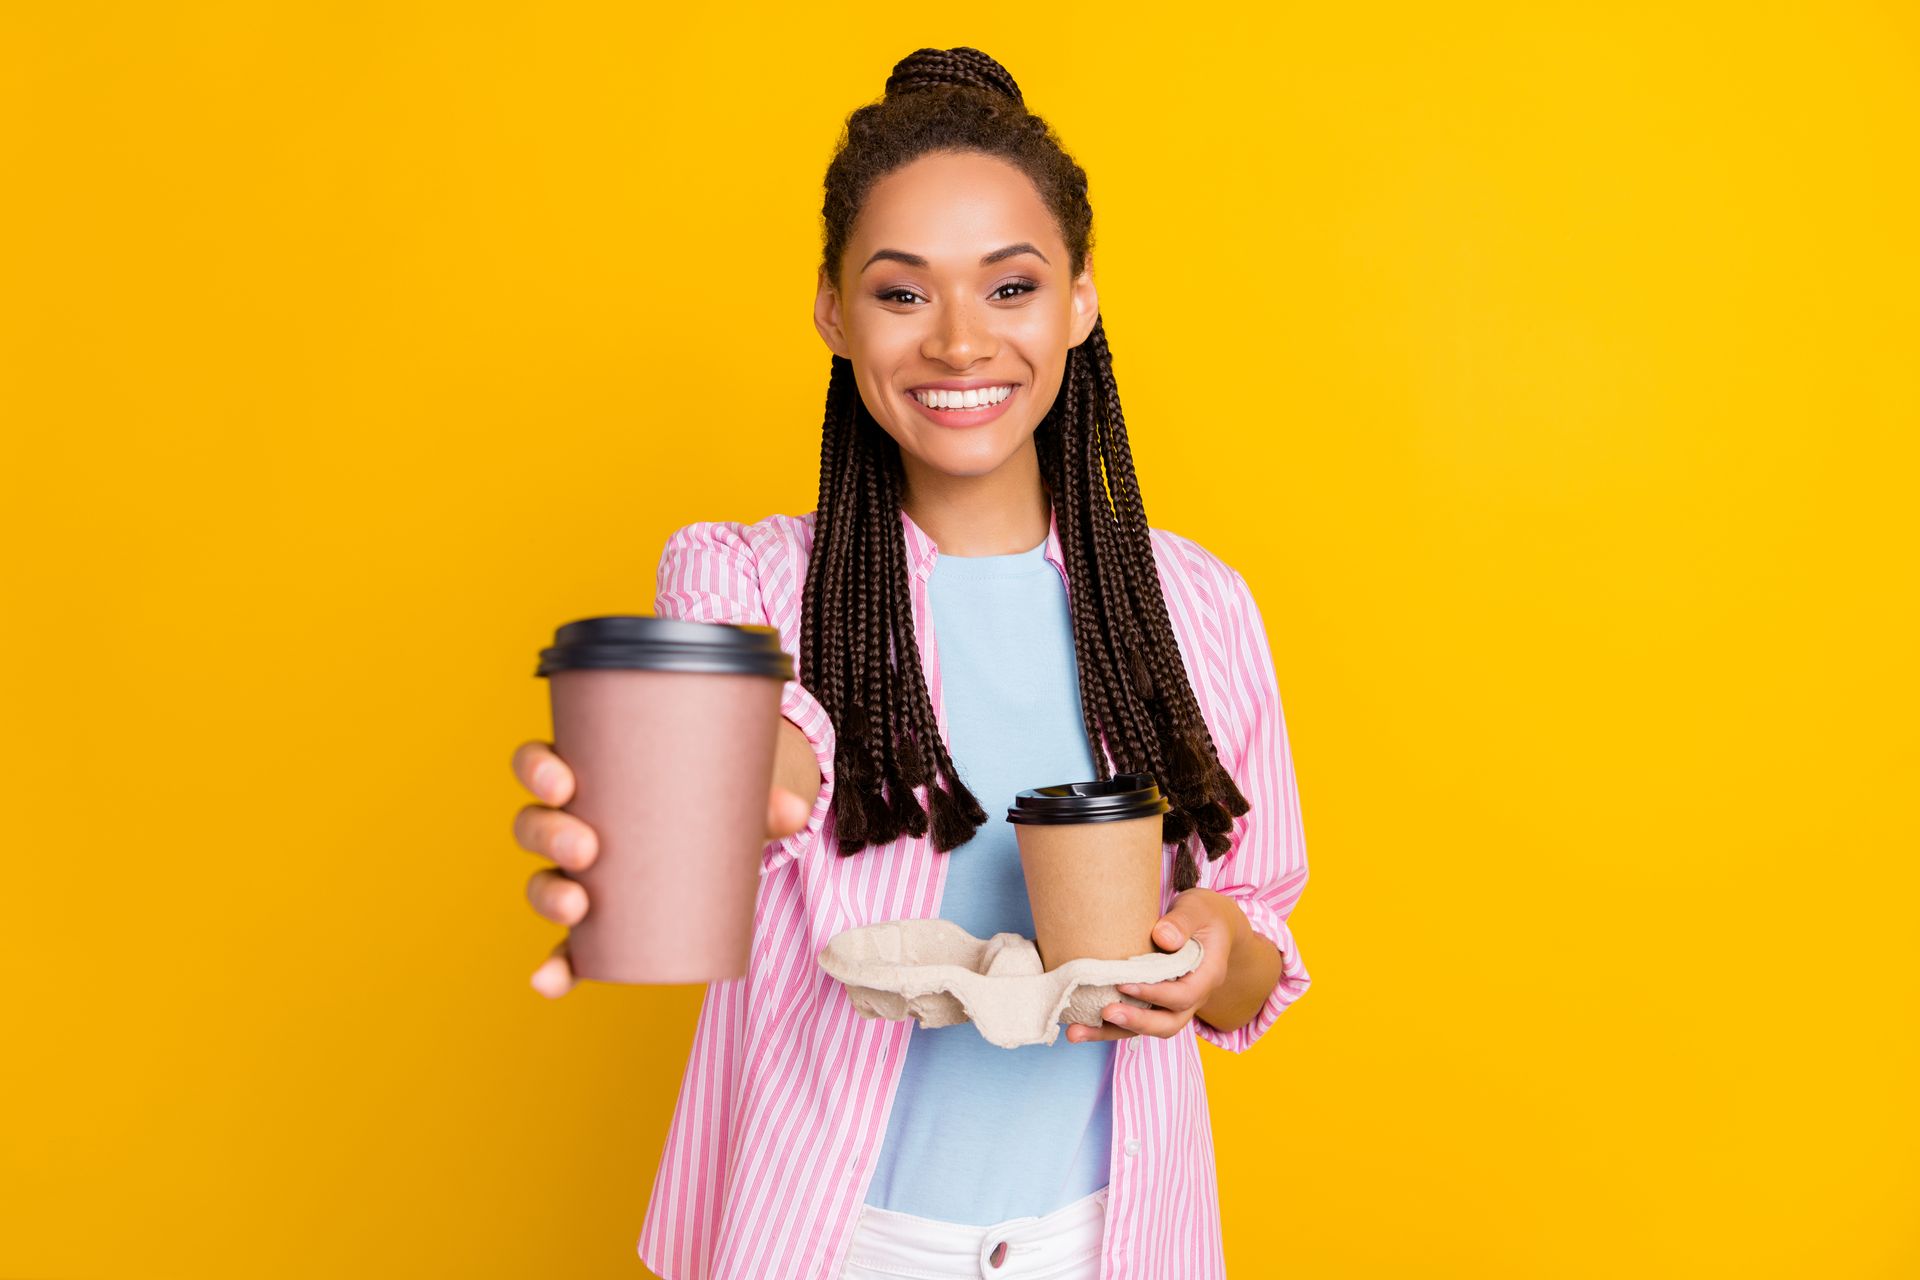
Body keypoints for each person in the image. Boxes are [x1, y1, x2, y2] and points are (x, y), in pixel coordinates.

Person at [509, 46, 1312, 1280]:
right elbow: (762, 752)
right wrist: (690, 798)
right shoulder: (747, 579)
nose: (956, 341)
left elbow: (1256, 927)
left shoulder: (1192, 605)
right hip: (832, 1240)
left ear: (1080, 303)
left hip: (1111, 1242)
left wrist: (1209, 945)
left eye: (1009, 288)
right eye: (901, 293)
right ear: (832, 307)